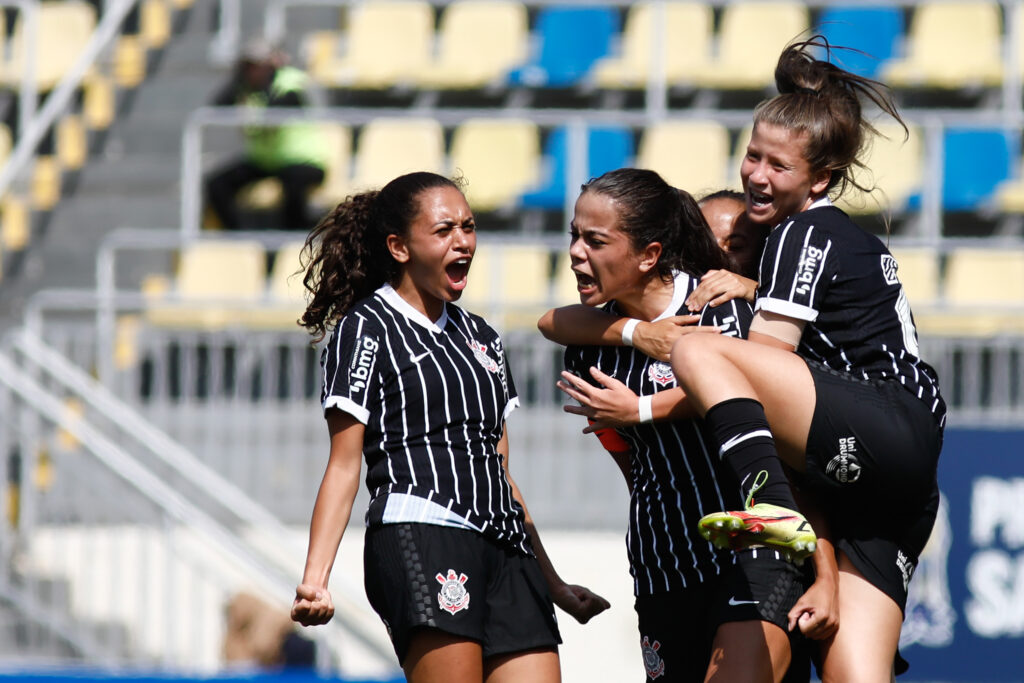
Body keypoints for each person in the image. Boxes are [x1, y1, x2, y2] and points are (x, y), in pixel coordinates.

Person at [666, 39, 945, 680]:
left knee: (699, 348)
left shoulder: (801, 232)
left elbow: (753, 367)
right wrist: (754, 288)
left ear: (819, 179)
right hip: (896, 477)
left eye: (778, 166)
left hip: (881, 423)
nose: (757, 175)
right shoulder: (834, 234)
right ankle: (785, 512)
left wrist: (651, 402)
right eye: (752, 155)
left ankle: (766, 503)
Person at [289, 171, 609, 683]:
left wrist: (554, 584)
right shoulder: (366, 328)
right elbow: (345, 464)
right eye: (444, 231)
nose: (463, 241)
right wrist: (314, 580)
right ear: (398, 246)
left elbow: (500, 472)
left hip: (508, 549)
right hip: (421, 530)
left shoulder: (482, 336)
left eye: (469, 226)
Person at [539, 168, 811, 683]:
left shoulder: (720, 306)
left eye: (595, 240)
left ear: (649, 254)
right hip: (664, 560)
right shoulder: (589, 347)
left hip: (750, 543)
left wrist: (641, 408)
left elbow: (747, 388)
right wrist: (637, 334)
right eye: (574, 236)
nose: (576, 252)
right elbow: (629, 462)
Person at [205, 40, 327, 231]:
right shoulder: (246, 88)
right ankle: (239, 238)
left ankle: (293, 240)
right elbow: (218, 105)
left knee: (292, 186)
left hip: (302, 160)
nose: (252, 72)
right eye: (247, 67)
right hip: (265, 161)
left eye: (256, 66)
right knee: (216, 184)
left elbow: (277, 109)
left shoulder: (290, 81)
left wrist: (266, 81)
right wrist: (237, 81)